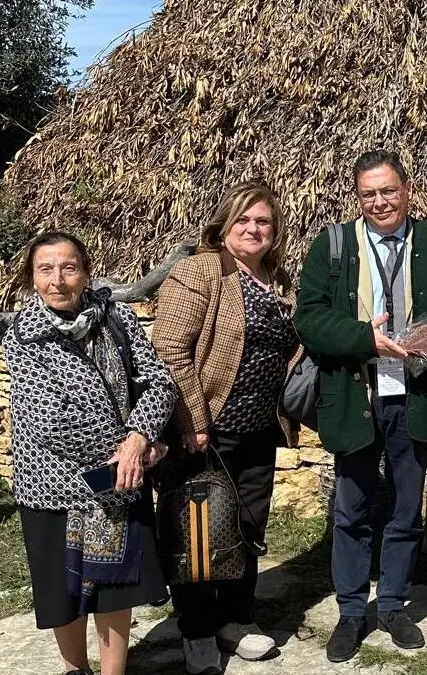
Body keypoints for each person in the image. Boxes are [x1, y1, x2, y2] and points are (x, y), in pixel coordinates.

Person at [293, 150, 427, 663]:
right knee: (350, 510)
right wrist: (365, 339)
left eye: (388, 190)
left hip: (415, 399)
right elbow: (310, 319)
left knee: (404, 509)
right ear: (358, 197)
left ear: (407, 189)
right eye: (369, 193)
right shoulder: (332, 247)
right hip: (355, 398)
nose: (380, 202)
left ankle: (392, 604)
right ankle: (351, 612)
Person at [4, 231, 177, 675]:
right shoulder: (23, 336)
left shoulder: (115, 317)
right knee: (64, 587)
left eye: (69, 268)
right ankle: (75, 668)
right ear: (32, 277)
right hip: (53, 481)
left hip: (120, 477)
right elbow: (48, 419)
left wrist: (138, 438)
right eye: (46, 269)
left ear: (84, 272)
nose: (58, 280)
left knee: (114, 584)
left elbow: (159, 381)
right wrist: (126, 453)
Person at [153, 182, 300, 673]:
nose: (254, 229)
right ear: (224, 225)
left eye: (263, 222)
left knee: (246, 527)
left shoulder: (277, 282)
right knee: (196, 533)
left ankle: (236, 618)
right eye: (244, 220)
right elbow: (170, 347)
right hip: (206, 431)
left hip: (260, 430)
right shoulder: (201, 271)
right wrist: (192, 421)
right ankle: (196, 628)